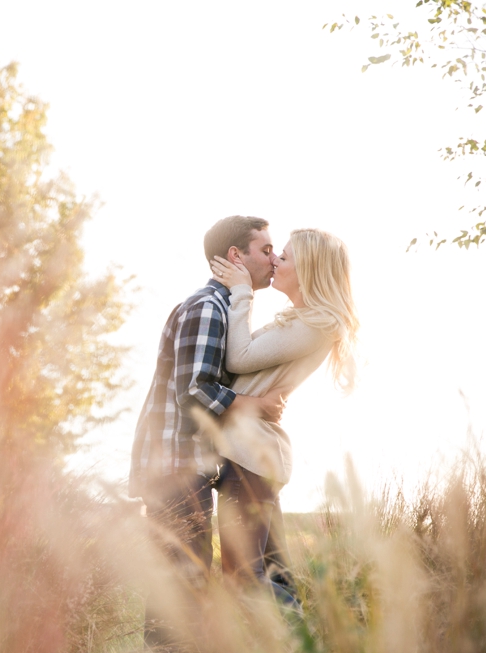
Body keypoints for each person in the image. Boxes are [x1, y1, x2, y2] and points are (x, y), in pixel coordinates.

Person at [129, 215, 288, 651]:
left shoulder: (223, 307)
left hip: (188, 464)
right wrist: (256, 406)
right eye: (266, 249)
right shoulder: (207, 308)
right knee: (181, 584)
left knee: (187, 582)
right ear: (235, 255)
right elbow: (194, 389)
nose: (274, 259)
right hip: (174, 463)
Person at [209, 228, 359, 594]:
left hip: (251, 457)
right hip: (252, 455)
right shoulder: (302, 319)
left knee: (242, 577)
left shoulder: (315, 326)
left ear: (309, 270)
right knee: (274, 575)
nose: (275, 259)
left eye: (285, 257)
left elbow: (238, 357)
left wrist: (242, 291)